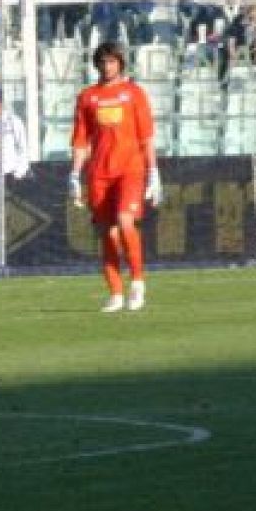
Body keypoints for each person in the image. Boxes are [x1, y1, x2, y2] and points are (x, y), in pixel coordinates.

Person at [70, 43, 160, 313]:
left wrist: (153, 172)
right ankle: (116, 293)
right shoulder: (88, 97)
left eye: (112, 61)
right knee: (107, 233)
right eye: (103, 62)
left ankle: (138, 282)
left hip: (130, 169)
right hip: (99, 173)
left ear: (120, 63)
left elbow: (146, 137)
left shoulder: (134, 93)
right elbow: (81, 140)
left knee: (125, 220)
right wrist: (74, 174)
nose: (107, 66)